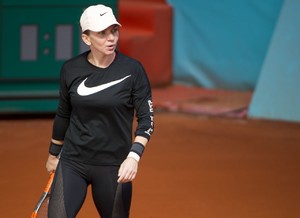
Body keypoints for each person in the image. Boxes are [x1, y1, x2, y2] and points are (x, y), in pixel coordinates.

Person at [45, 4, 154, 218]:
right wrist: (53, 153)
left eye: (113, 31)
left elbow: (147, 120)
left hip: (114, 166)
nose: (111, 38)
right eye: (102, 33)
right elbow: (63, 114)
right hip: (73, 161)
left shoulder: (133, 70)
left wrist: (133, 156)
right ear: (86, 38)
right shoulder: (70, 69)